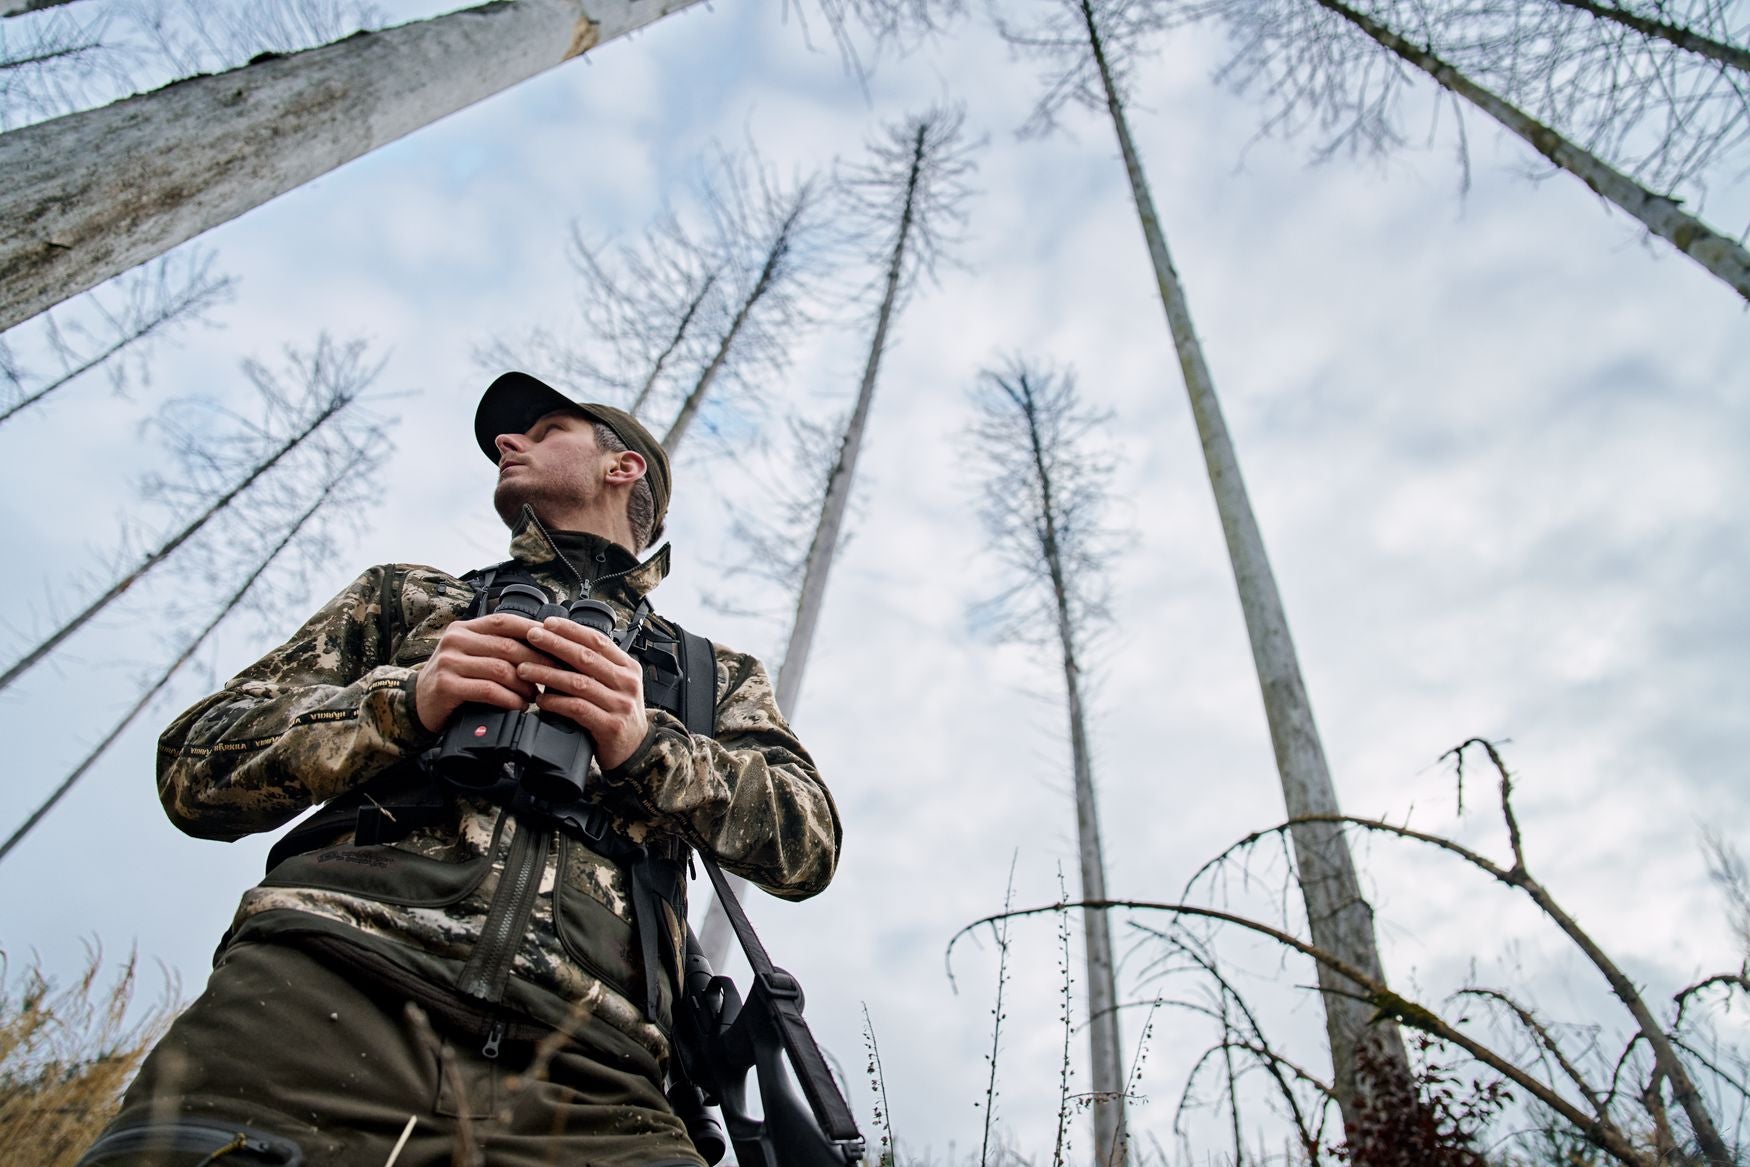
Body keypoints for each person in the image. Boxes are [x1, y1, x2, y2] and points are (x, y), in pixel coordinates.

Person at [81, 372, 842, 1167]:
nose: (506, 444)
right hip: (312, 1004)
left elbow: (808, 843)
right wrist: (402, 703)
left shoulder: (709, 674)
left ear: (625, 469)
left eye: (544, 430)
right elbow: (197, 766)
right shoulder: (407, 599)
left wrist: (647, 744)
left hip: (598, 1076)